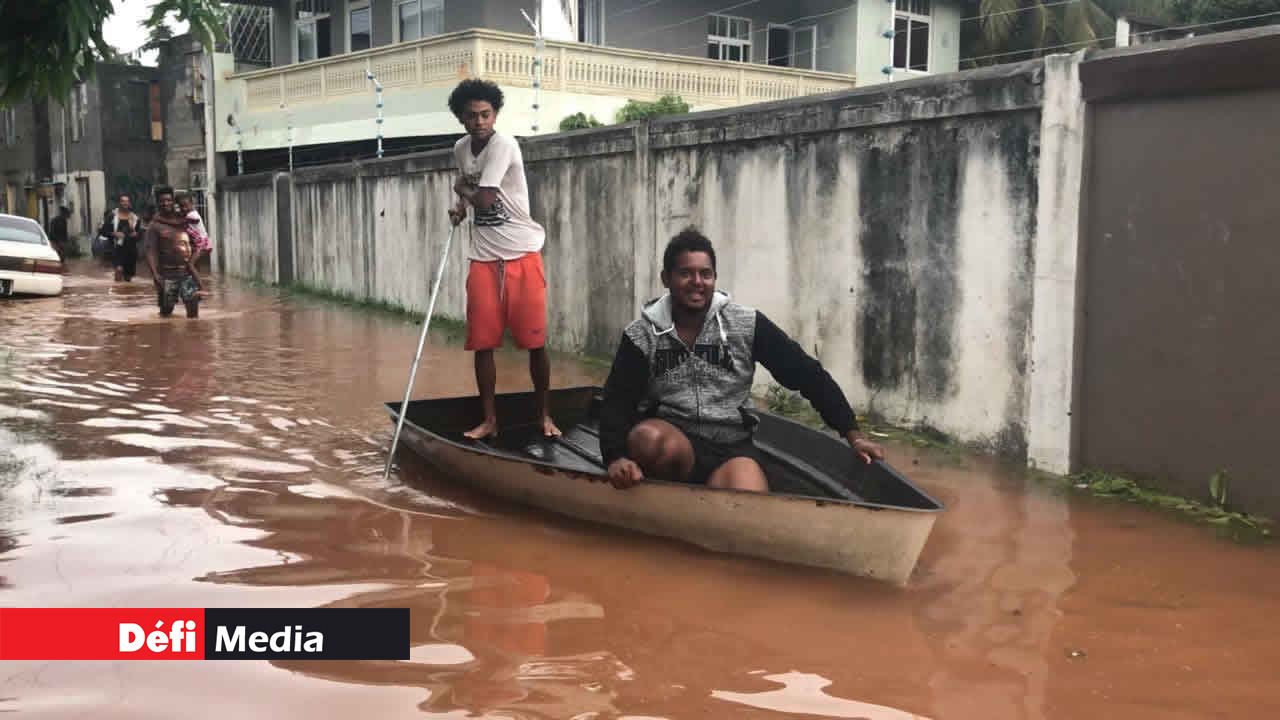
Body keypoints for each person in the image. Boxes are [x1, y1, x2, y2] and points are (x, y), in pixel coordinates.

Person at [598, 228, 885, 493]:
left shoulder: (745, 324)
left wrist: (852, 434)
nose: (697, 282)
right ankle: (669, 498)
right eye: (686, 273)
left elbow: (806, 373)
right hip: (674, 439)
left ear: (714, 278)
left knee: (749, 500)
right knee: (647, 441)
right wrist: (615, 457)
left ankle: (711, 492)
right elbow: (616, 400)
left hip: (731, 447)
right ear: (667, 278)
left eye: (705, 274)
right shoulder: (642, 334)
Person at [447, 79, 559, 440]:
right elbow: (471, 192)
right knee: (483, 343)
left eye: (486, 114)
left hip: (521, 253)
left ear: (495, 114)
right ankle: (490, 421)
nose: (480, 121)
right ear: (461, 119)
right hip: (482, 258)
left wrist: (463, 192)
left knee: (535, 342)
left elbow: (484, 198)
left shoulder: (504, 145)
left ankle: (544, 415)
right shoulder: (461, 148)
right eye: (472, 116)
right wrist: (459, 205)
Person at [143, 186, 203, 318]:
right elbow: (150, 251)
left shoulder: (185, 219)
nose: (165, 203)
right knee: (166, 314)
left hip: (187, 274)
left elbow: (197, 241)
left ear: (173, 202)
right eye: (162, 201)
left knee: (193, 315)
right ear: (157, 203)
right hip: (167, 275)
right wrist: (155, 275)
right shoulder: (155, 226)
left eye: (169, 200)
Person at [100, 193, 141, 281]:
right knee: (119, 270)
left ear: (129, 203)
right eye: (123, 201)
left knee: (128, 278)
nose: (125, 203)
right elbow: (103, 231)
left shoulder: (135, 218)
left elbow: (139, 235)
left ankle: (126, 293)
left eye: (127, 201)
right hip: (117, 248)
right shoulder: (112, 216)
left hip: (131, 250)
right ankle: (117, 291)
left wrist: (135, 234)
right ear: (119, 203)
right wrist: (114, 234)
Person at [177, 192, 211, 266]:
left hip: (202, 244)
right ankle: (194, 276)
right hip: (198, 244)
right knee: (192, 263)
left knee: (190, 264)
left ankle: (196, 277)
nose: (184, 208)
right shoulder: (188, 215)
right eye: (181, 206)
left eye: (186, 206)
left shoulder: (192, 215)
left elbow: (195, 220)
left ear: (192, 204)